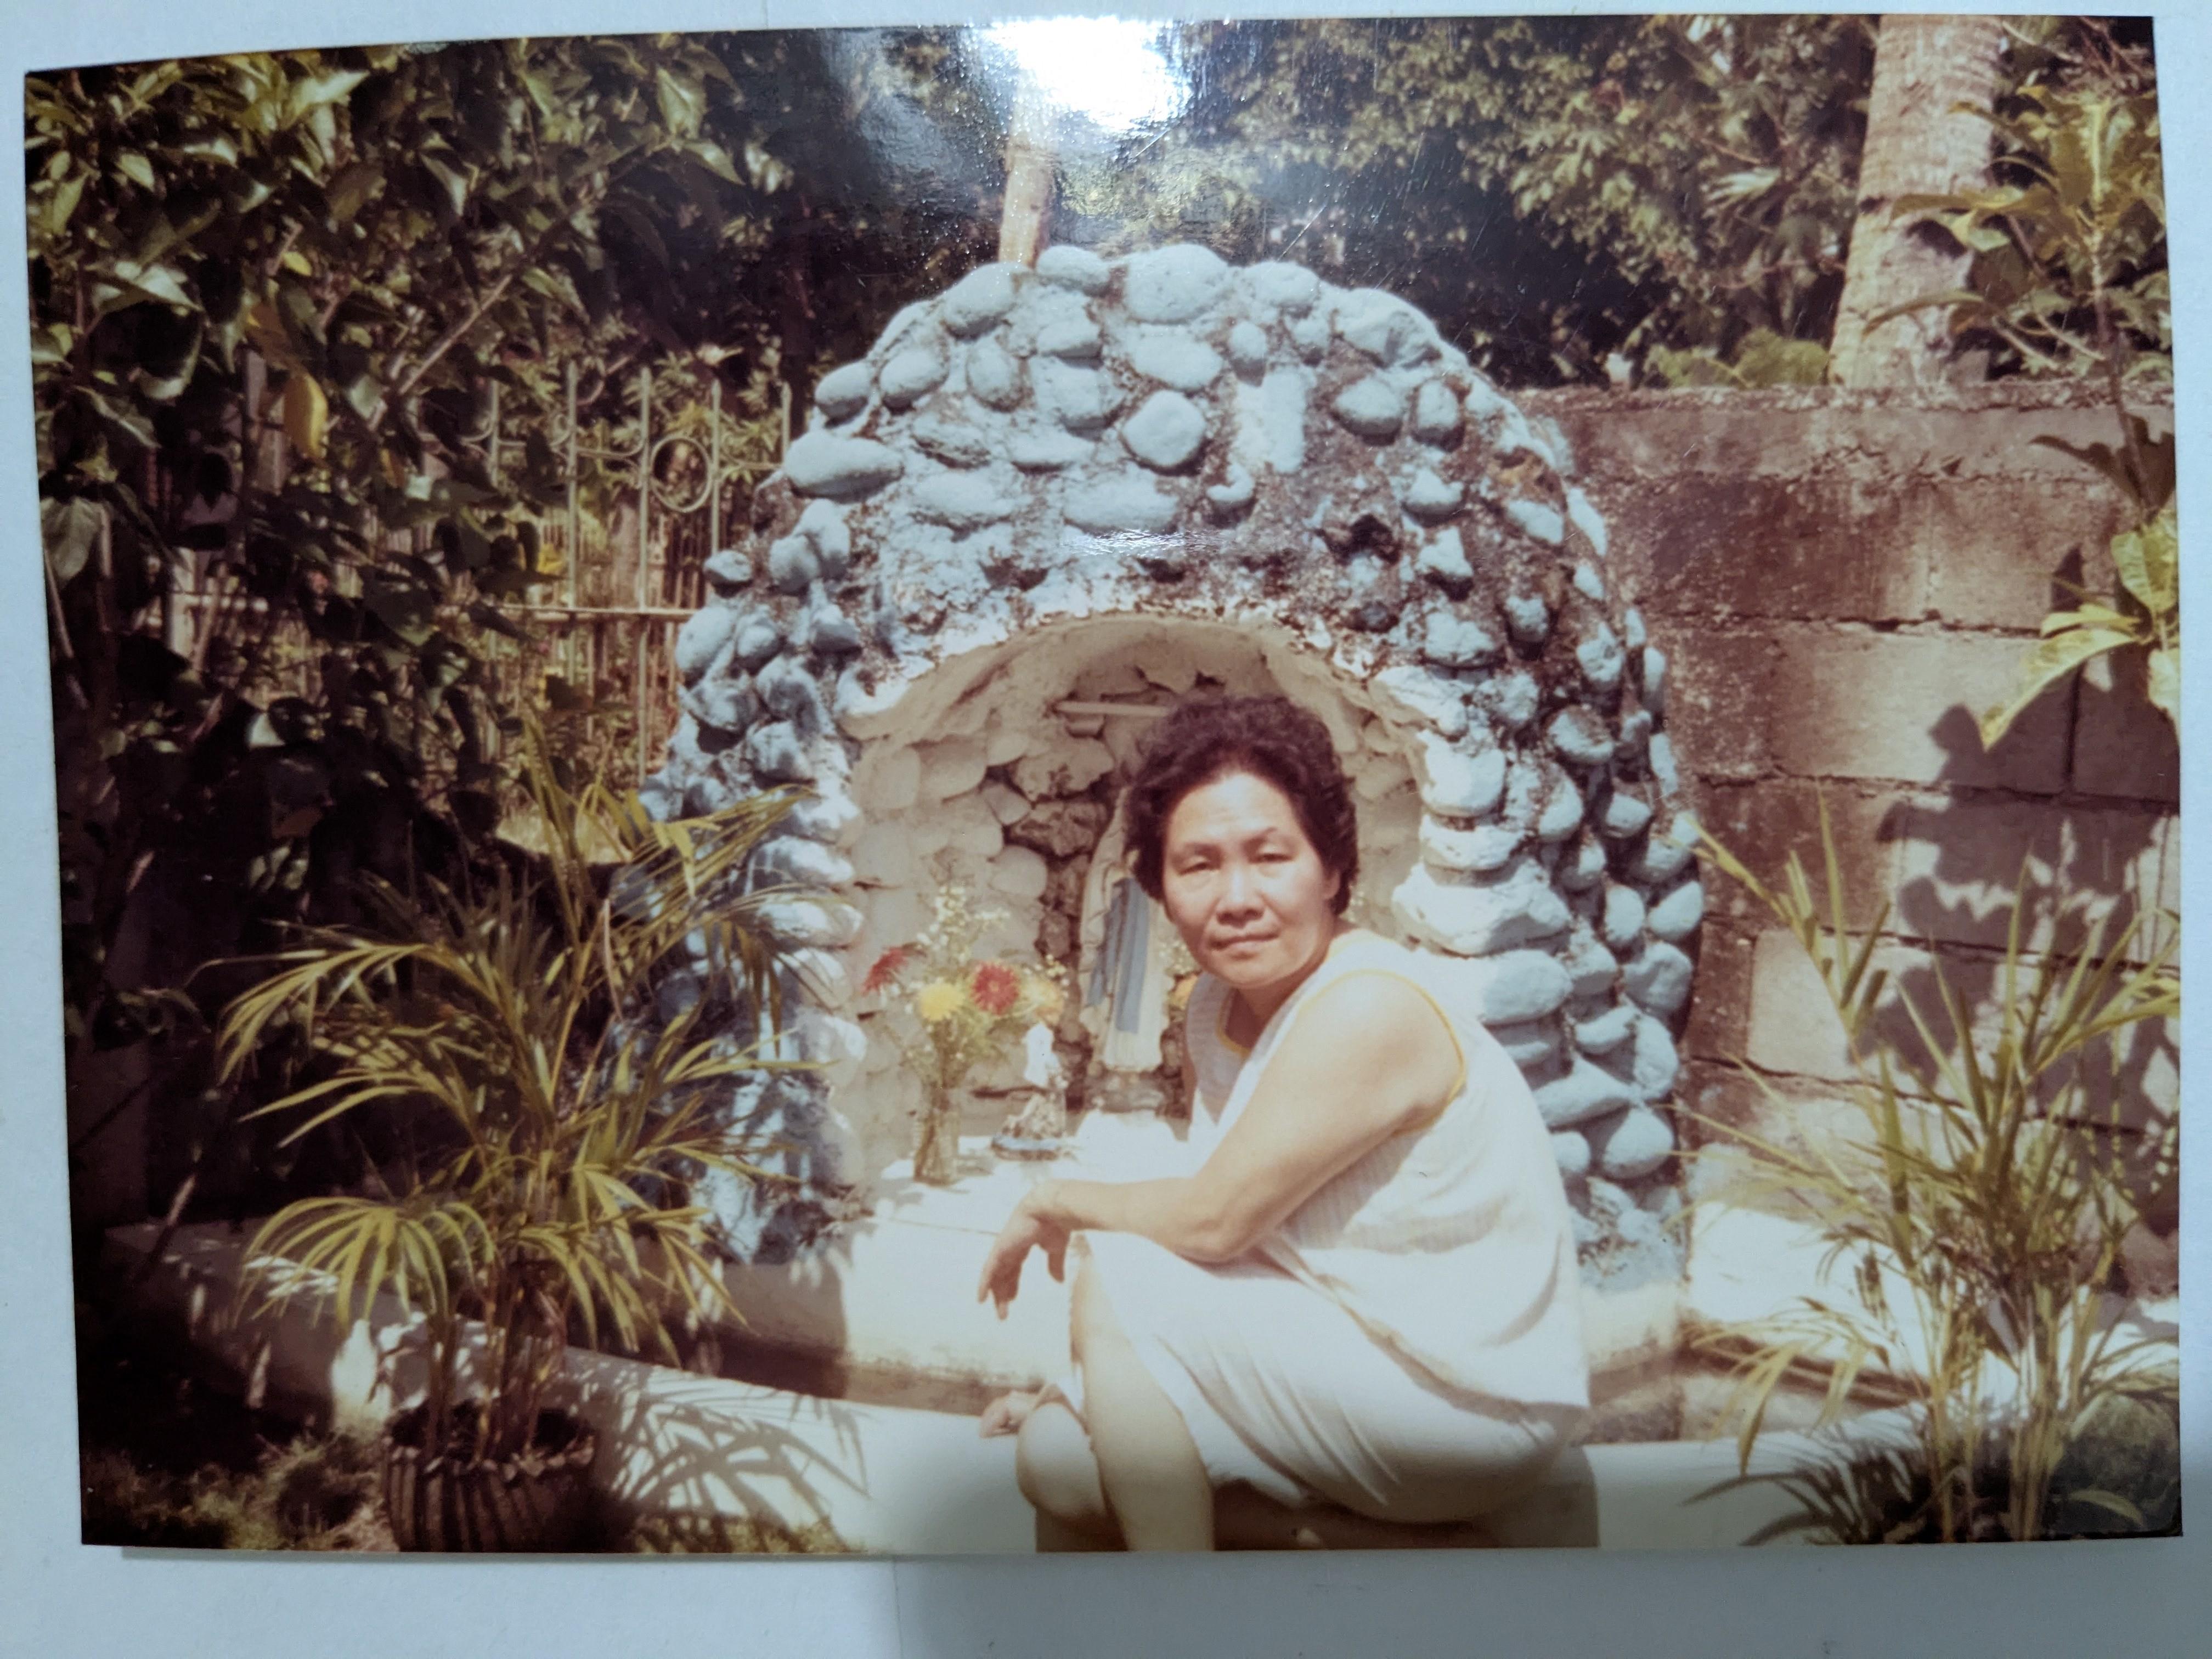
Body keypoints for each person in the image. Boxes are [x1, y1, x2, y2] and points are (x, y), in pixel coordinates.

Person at [975, 693, 1589, 1551]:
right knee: (1053, 1459)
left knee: (1115, 1265)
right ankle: (1388, 1550)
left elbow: (1212, 1223)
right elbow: (1240, 1241)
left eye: (1271, 857)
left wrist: (1055, 1198)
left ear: (1333, 870)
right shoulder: (1215, 1009)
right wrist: (1083, 1384)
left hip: (1464, 1401)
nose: (1237, 898)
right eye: (1197, 867)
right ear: (1157, 887)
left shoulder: (1368, 1006)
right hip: (1350, 1360)